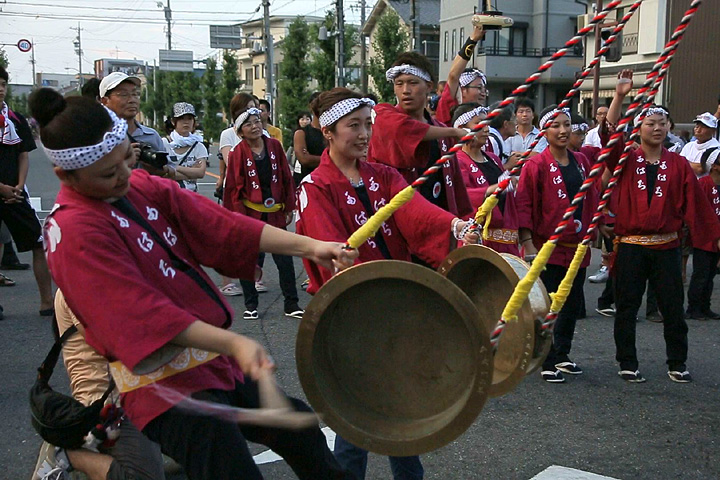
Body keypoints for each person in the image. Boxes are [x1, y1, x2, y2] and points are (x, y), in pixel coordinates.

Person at [30, 87, 356, 480]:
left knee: (300, 432)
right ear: (64, 174)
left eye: (124, 163)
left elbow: (224, 226)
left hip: (208, 363)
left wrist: (314, 247)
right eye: (107, 173)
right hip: (160, 387)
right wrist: (233, 341)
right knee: (229, 468)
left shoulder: (139, 187)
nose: (122, 178)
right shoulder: (72, 229)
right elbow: (141, 312)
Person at [296, 87, 478, 480]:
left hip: (394, 305)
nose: (364, 134)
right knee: (356, 415)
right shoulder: (315, 187)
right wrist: (338, 259)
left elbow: (416, 211)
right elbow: (327, 249)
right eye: (353, 126)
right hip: (351, 314)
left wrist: (454, 224)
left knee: (400, 407)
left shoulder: (384, 174)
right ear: (328, 131)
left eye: (367, 125)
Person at [605, 71, 720, 383]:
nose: (656, 128)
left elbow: (697, 207)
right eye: (650, 124)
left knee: (672, 307)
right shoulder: (626, 158)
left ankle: (677, 361)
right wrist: (619, 96)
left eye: (662, 123)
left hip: (667, 246)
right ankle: (627, 361)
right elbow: (608, 136)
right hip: (630, 245)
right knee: (627, 307)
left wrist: (711, 238)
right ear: (639, 129)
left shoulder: (678, 163)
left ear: (669, 128)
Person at [33, 290, 166, 480]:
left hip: (141, 393)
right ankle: (67, 454)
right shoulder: (78, 282)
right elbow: (114, 343)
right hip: (107, 406)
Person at [515, 105, 600, 383]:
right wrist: (528, 244)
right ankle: (546, 358)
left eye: (567, 125)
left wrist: (595, 226)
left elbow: (592, 195)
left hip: (576, 247)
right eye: (556, 126)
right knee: (548, 304)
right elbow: (524, 205)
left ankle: (563, 354)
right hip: (546, 247)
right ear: (545, 131)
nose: (563, 131)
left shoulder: (580, 161)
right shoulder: (536, 165)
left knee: (572, 303)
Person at [368, 51, 473, 225]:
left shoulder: (441, 131)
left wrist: (462, 223)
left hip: (438, 223)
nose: (405, 91)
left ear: (429, 86)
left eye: (413, 83)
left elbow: (456, 189)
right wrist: (454, 132)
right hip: (395, 222)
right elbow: (403, 129)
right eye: (399, 84)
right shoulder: (382, 114)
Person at [223, 108, 303, 320]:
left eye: (257, 121)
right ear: (240, 131)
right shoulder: (238, 152)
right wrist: (236, 217)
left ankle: (291, 303)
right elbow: (232, 188)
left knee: (285, 260)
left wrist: (289, 206)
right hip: (250, 213)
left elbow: (287, 178)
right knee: (248, 260)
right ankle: (250, 305)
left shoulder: (274, 146)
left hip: (275, 213)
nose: (255, 126)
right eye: (248, 124)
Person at [0, 65, 53, 316]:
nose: (0, 89)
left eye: (3, 84)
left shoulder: (16, 119)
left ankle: (46, 301)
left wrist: (19, 185)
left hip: (16, 194)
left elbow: (23, 155)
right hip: (3, 190)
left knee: (38, 242)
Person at [451, 102, 520, 255]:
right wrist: (492, 189)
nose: (486, 129)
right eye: (479, 124)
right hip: (478, 239)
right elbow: (461, 196)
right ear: (462, 129)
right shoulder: (457, 161)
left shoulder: (493, 158)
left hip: (506, 241)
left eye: (487, 124)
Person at [217, 93, 259, 296]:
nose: (252, 112)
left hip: (257, 190)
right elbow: (230, 158)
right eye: (247, 108)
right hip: (235, 189)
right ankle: (227, 281)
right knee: (233, 236)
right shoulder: (228, 134)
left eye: (255, 108)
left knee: (256, 236)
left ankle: (254, 277)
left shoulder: (263, 133)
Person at [686, 148, 720, 320]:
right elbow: (697, 212)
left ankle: (705, 306)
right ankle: (693, 307)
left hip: (717, 238)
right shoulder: (704, 184)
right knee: (701, 274)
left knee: (711, 274)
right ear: (714, 166)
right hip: (704, 237)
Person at [99, 72, 165, 161]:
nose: (132, 100)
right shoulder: (97, 136)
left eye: (135, 94)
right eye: (123, 94)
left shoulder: (152, 135)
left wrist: (158, 169)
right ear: (105, 101)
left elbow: (169, 169)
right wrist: (121, 159)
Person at [435, 23, 487, 125]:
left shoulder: (484, 115)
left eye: (484, 89)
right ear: (463, 90)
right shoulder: (449, 108)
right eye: (479, 88)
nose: (483, 93)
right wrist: (473, 39)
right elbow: (453, 75)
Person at [162, 102, 207, 193]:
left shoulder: (198, 146)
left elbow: (200, 173)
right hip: (169, 195)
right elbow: (162, 174)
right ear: (173, 121)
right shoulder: (164, 143)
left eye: (189, 118)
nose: (186, 122)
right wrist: (191, 172)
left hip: (191, 197)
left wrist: (172, 167)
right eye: (181, 118)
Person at [293, 92, 326, 185]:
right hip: (310, 183)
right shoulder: (301, 133)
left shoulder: (334, 132)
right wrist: (332, 160)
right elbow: (304, 159)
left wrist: (313, 158)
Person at [679, 112, 719, 177]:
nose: (698, 129)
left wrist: (682, 162)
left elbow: (700, 169)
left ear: (713, 130)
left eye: (703, 127)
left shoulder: (716, 148)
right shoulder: (689, 146)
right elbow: (678, 165)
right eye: (697, 125)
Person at [487, 103, 520, 168]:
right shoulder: (492, 142)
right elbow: (489, 172)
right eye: (513, 119)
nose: (516, 123)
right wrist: (508, 165)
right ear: (506, 124)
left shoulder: (498, 140)